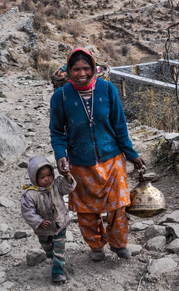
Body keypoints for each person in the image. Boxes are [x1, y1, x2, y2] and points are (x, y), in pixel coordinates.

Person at [49, 48, 145, 261]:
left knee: (118, 207)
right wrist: (60, 155)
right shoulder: (60, 97)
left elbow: (120, 126)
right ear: (68, 70)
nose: (81, 73)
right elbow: (57, 132)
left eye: (86, 68)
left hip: (112, 160)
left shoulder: (108, 89)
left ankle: (119, 244)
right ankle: (96, 246)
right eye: (75, 69)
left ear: (93, 68)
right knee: (86, 210)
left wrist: (132, 154)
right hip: (81, 164)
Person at [21, 154, 76, 283]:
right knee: (47, 247)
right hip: (43, 229)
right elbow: (27, 212)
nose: (47, 179)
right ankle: (50, 254)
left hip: (59, 223)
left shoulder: (56, 185)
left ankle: (57, 271)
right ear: (34, 178)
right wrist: (38, 222)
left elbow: (68, 187)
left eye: (49, 175)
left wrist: (68, 176)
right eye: (42, 177)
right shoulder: (30, 194)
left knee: (59, 248)